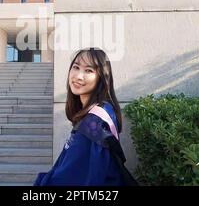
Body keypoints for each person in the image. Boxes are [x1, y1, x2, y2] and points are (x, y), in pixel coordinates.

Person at [34, 48, 138, 186]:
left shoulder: (93, 122)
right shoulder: (103, 109)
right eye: (76, 67)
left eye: (89, 70)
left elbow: (70, 178)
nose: (78, 76)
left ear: (102, 77)